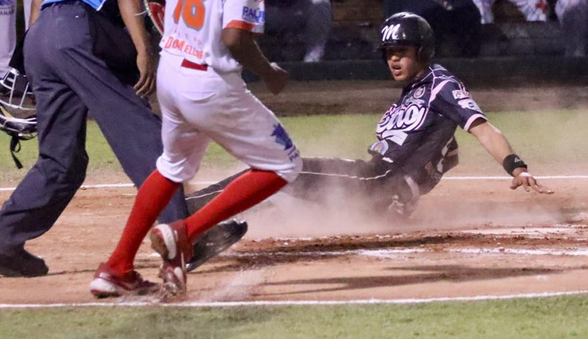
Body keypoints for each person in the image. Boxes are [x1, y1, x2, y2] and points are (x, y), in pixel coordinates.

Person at [0, 0, 243, 279]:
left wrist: (35, 67)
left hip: (43, 35)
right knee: (148, 139)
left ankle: (3, 239)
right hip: (78, 33)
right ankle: (183, 240)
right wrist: (144, 51)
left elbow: (39, 1)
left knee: (61, 162)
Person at [91, 0, 300, 298]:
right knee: (284, 164)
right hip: (209, 81)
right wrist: (270, 72)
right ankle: (185, 230)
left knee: (173, 167)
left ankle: (116, 267)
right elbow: (234, 36)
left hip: (171, 73)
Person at [187, 12, 552, 223]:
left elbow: (483, 128)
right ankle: (218, 220)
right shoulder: (415, 92)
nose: (393, 59)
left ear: (422, 51)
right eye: (389, 53)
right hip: (379, 190)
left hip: (372, 181)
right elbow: (440, 152)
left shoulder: (441, 85)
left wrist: (516, 166)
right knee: (280, 202)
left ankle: (188, 209)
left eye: (402, 52)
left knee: (278, 169)